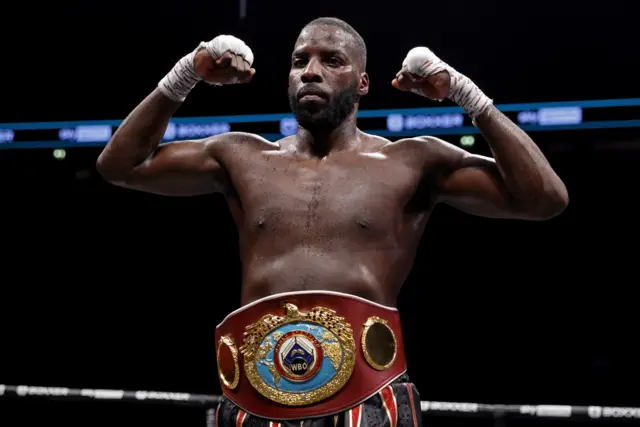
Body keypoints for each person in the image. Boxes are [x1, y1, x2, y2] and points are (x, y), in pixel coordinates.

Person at [96, 17, 568, 427]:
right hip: (251, 401)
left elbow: (544, 199)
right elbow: (119, 166)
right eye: (300, 60)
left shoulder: (413, 160)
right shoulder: (239, 156)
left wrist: (466, 93)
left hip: (368, 400)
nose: (311, 72)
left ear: (363, 83)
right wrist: (186, 73)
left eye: (332, 61)